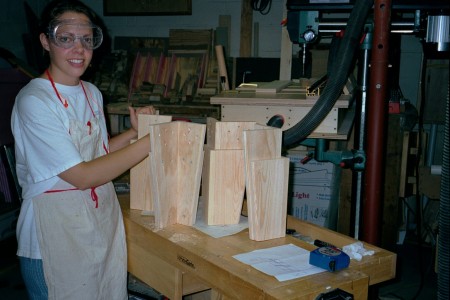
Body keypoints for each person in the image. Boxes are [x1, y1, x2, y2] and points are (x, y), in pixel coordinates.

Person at [11, 1, 155, 299]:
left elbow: (97, 154)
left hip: (95, 224)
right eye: (66, 39)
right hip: (51, 237)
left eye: (87, 40)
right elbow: (81, 175)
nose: (79, 49)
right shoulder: (34, 101)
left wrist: (133, 133)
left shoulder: (91, 92)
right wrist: (152, 142)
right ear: (45, 41)